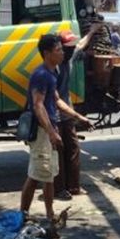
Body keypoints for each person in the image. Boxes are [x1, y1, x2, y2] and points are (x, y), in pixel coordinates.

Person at [19, 34, 92, 228]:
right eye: (58, 50)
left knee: (48, 175)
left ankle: (50, 215)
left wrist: (78, 117)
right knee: (36, 175)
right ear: (47, 53)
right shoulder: (42, 75)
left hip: (49, 130)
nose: (62, 53)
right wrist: (51, 132)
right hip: (42, 132)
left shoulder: (52, 73)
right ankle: (23, 215)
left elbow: (57, 100)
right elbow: (38, 105)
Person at [54, 23, 102, 200]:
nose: (71, 49)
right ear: (59, 48)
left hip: (66, 114)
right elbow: (55, 100)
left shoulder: (69, 57)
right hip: (56, 115)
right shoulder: (53, 68)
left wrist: (91, 32)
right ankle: (59, 189)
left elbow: (81, 44)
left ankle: (73, 187)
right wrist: (78, 116)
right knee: (58, 151)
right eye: (67, 47)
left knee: (73, 148)